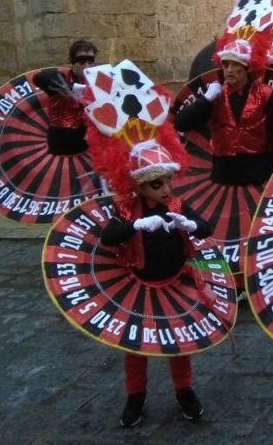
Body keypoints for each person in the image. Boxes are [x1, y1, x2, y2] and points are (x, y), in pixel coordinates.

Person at [100, 143, 212, 427]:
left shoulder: (177, 205)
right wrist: (135, 226)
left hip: (176, 282)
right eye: (156, 183)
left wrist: (190, 225)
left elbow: (206, 227)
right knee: (134, 344)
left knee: (179, 340)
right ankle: (135, 395)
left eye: (168, 181)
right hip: (140, 285)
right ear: (140, 185)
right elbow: (109, 236)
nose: (165, 189)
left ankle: (184, 390)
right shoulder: (126, 209)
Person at [173, 39, 273, 187]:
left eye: (236, 64)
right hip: (222, 177)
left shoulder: (265, 94)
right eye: (226, 64)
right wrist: (206, 99)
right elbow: (180, 123)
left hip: (258, 176)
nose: (229, 69)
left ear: (246, 68)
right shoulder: (214, 95)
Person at [32, 39, 96, 155]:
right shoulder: (62, 77)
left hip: (86, 141)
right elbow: (39, 78)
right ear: (72, 61)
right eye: (81, 60)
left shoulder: (96, 81)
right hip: (61, 141)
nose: (86, 65)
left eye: (90, 60)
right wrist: (70, 88)